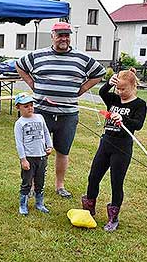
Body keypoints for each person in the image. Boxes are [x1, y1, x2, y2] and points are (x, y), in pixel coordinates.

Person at [16, 22, 105, 199]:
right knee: (37, 150)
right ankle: (33, 185)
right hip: (41, 113)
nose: (64, 38)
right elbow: (19, 65)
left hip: (68, 115)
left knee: (63, 151)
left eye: (67, 35)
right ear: (52, 36)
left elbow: (99, 72)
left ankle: (60, 185)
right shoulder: (38, 55)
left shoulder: (82, 58)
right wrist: (32, 84)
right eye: (60, 35)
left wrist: (83, 89)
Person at [82, 68, 147, 232]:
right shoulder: (113, 99)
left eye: (123, 88)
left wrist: (123, 118)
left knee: (116, 183)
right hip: (106, 144)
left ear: (133, 86)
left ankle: (113, 217)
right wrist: (108, 83)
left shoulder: (139, 104)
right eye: (118, 88)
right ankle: (89, 209)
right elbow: (103, 93)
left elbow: (138, 124)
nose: (120, 92)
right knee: (93, 176)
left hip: (122, 148)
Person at [14, 93, 53, 216]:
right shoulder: (20, 123)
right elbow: (19, 143)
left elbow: (46, 132)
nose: (30, 108)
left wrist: (49, 145)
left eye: (31, 105)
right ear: (18, 107)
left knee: (40, 181)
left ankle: (39, 203)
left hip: (41, 156)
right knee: (27, 182)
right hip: (29, 158)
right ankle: (23, 204)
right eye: (26, 106)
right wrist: (23, 159)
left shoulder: (40, 118)